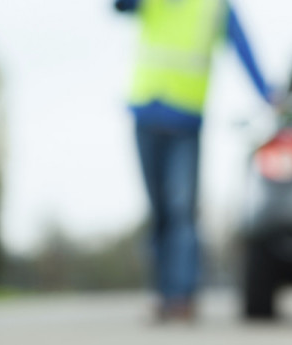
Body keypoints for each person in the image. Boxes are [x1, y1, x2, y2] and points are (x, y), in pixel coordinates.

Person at [115, 0, 273, 322]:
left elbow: (243, 48)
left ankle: (182, 297)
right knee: (158, 210)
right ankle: (162, 292)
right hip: (146, 113)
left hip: (185, 121)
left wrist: (268, 94)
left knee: (182, 209)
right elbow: (119, 6)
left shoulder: (214, 7)